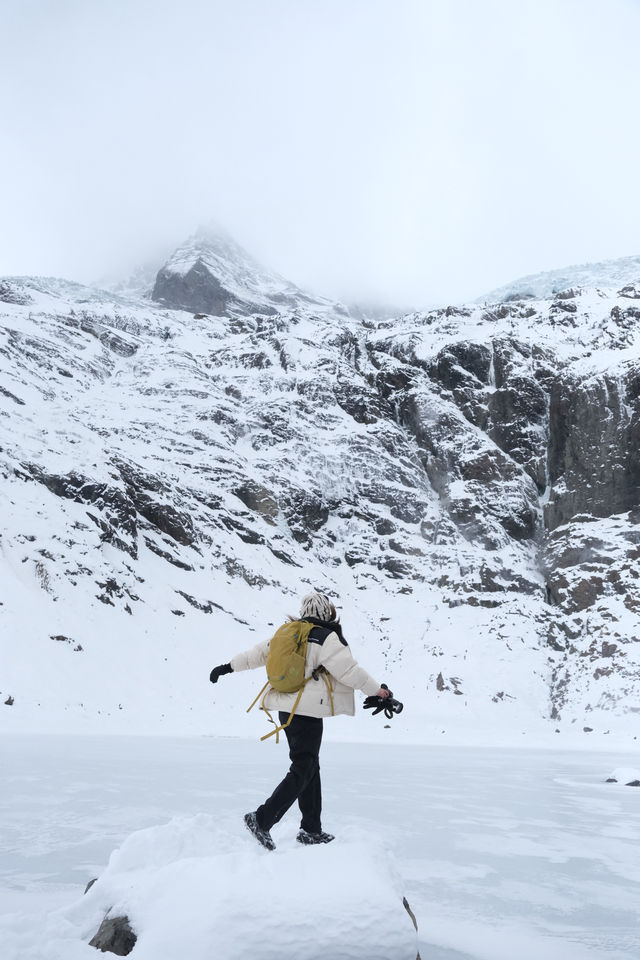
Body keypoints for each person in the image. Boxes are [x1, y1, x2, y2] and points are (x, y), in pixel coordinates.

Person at [209, 590, 390, 851]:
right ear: (326, 612)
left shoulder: (288, 632)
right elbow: (350, 671)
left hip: (287, 708)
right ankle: (261, 819)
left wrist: (226, 667)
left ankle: (310, 829)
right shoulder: (324, 637)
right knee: (304, 766)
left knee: (309, 766)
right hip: (306, 711)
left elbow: (255, 655)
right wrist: (378, 691)